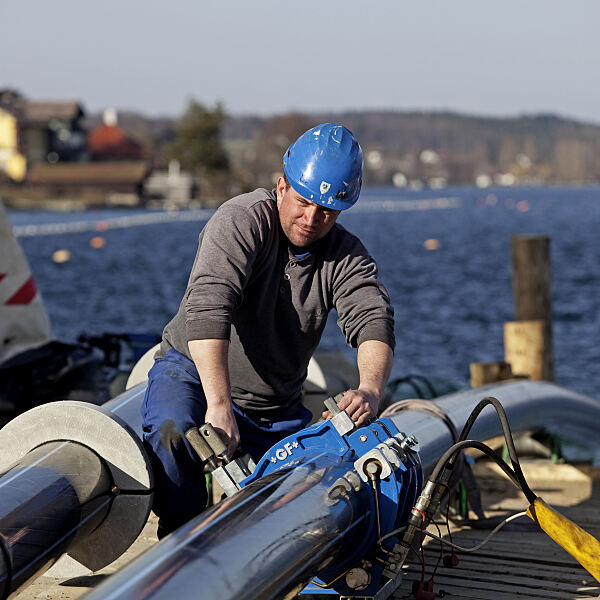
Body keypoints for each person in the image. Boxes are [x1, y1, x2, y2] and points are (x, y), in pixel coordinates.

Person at [141, 123, 395, 536]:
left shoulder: (346, 256)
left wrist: (369, 389)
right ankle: (181, 539)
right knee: (172, 429)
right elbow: (209, 307)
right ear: (281, 186)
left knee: (306, 506)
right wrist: (218, 404)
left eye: (327, 211)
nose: (312, 218)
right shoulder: (240, 222)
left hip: (275, 405)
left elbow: (373, 320)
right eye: (303, 202)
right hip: (192, 374)